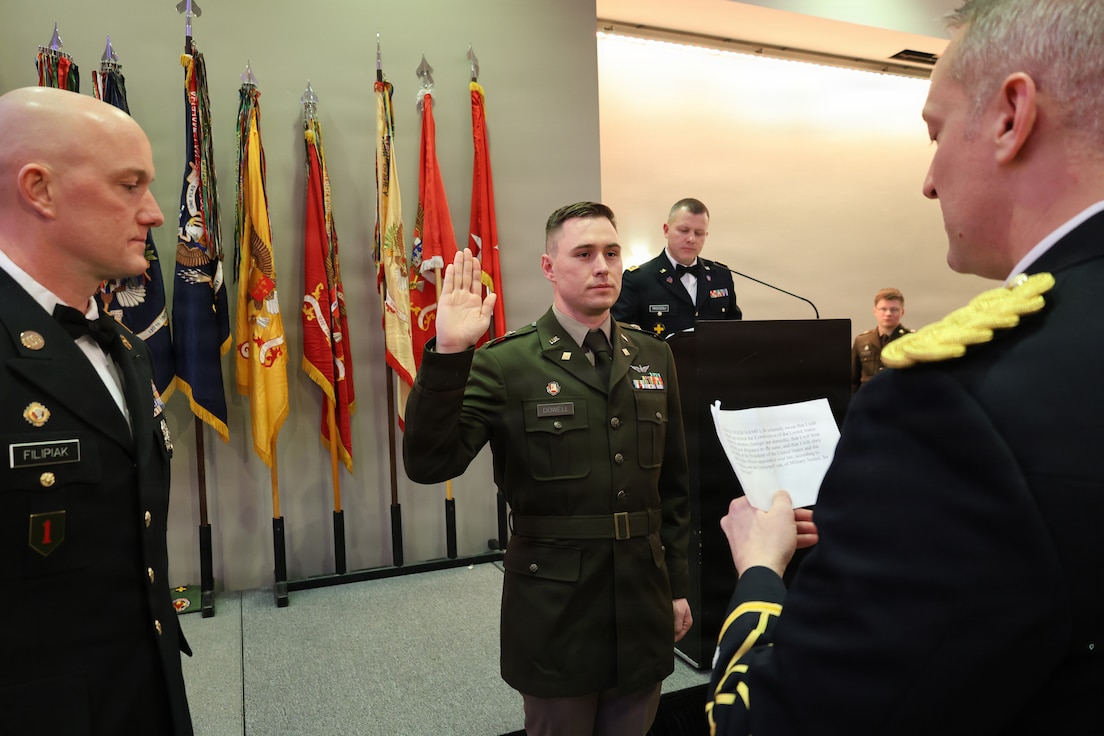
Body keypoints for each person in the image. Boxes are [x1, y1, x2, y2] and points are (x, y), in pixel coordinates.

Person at [707, 1, 1104, 733]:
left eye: (936, 130)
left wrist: (760, 574)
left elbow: (781, 722)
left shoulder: (954, 408)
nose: (928, 180)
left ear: (1012, 116)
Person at [403, 202, 692, 736]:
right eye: (583, 254)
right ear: (549, 267)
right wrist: (448, 352)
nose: (602, 266)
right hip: (558, 608)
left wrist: (676, 586)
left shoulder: (654, 356)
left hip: (640, 598)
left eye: (611, 252)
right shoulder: (505, 363)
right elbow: (428, 462)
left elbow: (673, 488)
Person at [0, 87, 193, 734]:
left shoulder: (121, 345)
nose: (157, 213)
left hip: (145, 688)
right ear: (40, 190)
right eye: (130, 185)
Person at [612, 198, 740, 337]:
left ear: (706, 235)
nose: (691, 239)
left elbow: (734, 329)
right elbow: (622, 335)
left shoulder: (721, 275)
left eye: (699, 233)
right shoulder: (638, 279)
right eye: (684, 230)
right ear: (666, 230)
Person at [850, 287, 911, 390]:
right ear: (875, 311)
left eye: (894, 309)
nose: (888, 313)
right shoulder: (861, 341)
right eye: (883, 309)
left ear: (902, 312)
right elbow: (853, 381)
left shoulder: (911, 340)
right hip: (869, 401)